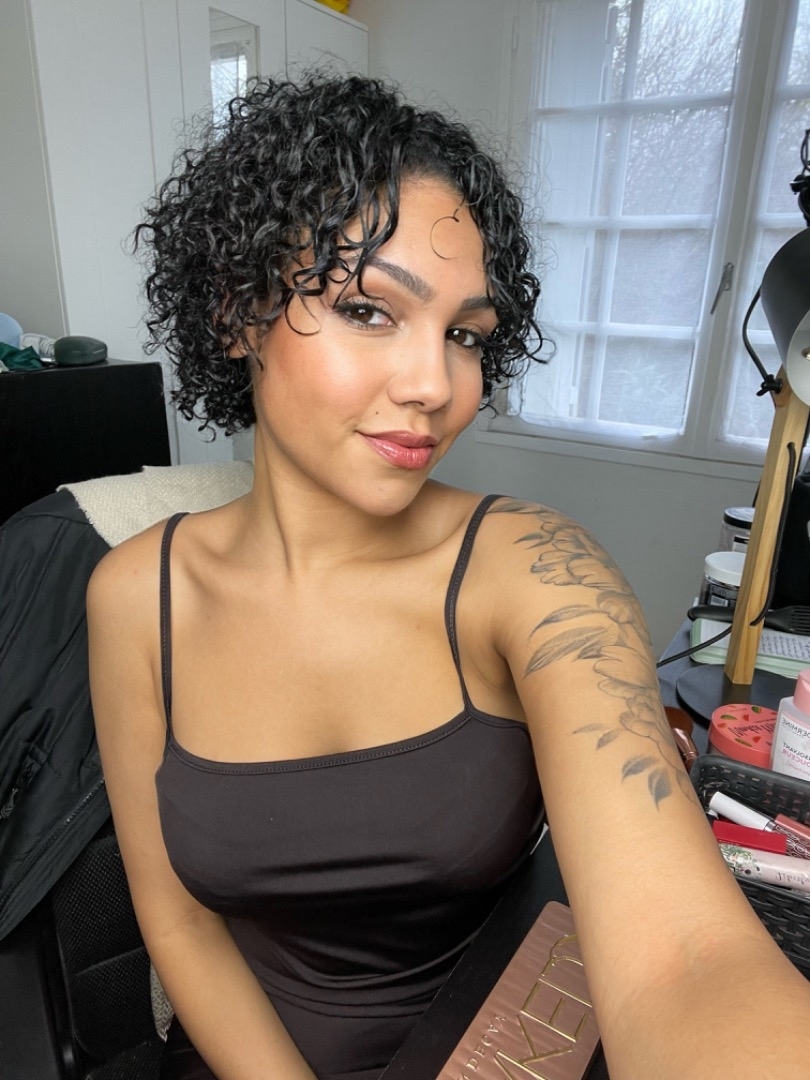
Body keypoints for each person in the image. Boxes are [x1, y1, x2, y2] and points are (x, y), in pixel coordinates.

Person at [87, 73, 810, 1080]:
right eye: (367, 309)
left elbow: (687, 961)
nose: (436, 385)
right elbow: (179, 926)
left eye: (465, 335)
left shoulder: (538, 572)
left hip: (492, 1046)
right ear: (237, 313)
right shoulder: (135, 597)